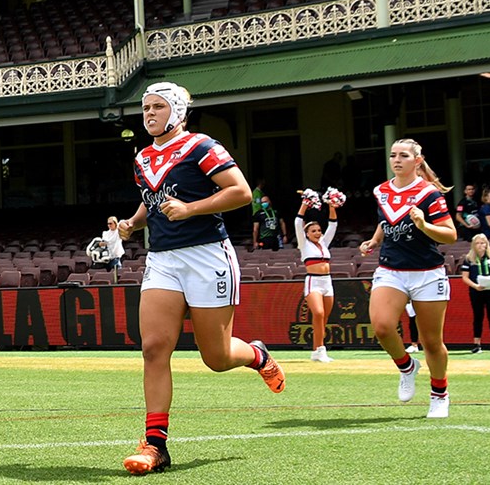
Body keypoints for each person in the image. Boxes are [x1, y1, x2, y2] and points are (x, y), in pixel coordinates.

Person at [109, 82, 281, 476]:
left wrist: (191, 209)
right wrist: (133, 223)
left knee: (216, 358)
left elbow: (240, 192)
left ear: (177, 111)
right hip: (162, 260)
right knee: (153, 348)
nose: (149, 114)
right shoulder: (143, 157)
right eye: (146, 108)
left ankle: (257, 355)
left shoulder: (201, 146)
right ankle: (155, 445)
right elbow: (152, 199)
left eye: (158, 107)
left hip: (207, 256)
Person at [357, 138, 457, 419]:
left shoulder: (429, 194)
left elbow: (450, 235)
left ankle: (439, 393)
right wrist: (374, 241)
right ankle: (406, 366)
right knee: (382, 327)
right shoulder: (381, 191)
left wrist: (424, 225)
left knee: (431, 342)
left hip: (428, 273)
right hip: (391, 270)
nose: (397, 160)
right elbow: (386, 220)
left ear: (417, 160)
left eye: (403, 155)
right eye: (393, 155)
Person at [296, 196, 340, 363]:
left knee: (324, 318)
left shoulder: (324, 243)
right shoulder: (303, 244)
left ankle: (317, 351)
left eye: (319, 230)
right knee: (318, 313)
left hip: (327, 281)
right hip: (313, 282)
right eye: (313, 231)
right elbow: (297, 223)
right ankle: (320, 350)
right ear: (306, 234)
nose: (317, 233)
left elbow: (333, 225)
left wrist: (332, 206)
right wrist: (304, 204)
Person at [460, 234, 490, 354]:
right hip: (476, 291)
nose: (480, 245)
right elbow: (465, 277)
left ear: (486, 244)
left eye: (482, 243)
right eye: (477, 243)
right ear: (473, 245)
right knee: (478, 316)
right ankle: (477, 344)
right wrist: (475, 286)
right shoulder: (468, 259)